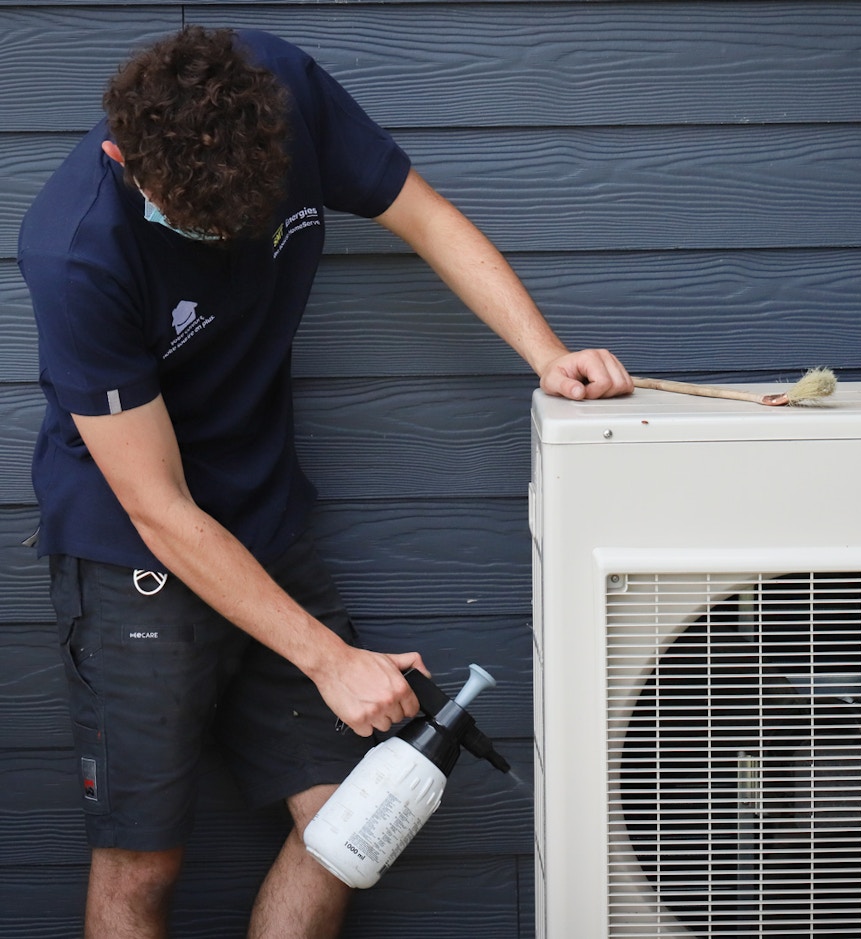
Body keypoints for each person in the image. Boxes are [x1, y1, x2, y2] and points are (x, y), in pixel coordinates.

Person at [18, 25, 631, 939]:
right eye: (196, 228)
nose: (221, 244)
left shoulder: (285, 90)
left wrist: (545, 354)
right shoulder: (76, 253)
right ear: (123, 155)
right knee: (143, 860)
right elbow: (158, 505)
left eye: (242, 225)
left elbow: (421, 214)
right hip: (132, 555)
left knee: (350, 815)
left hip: (263, 514)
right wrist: (332, 659)